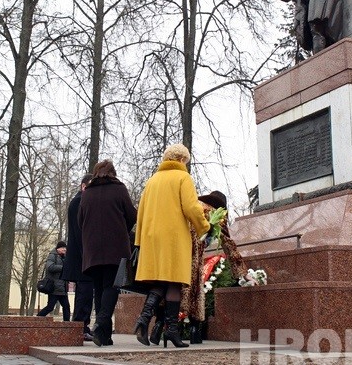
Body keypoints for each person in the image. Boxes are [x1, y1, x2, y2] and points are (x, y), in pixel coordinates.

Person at [133, 144, 210, 348]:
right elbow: (191, 207)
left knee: (161, 280)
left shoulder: (152, 181)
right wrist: (205, 227)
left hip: (151, 237)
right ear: (182, 159)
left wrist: (139, 240)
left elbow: (141, 212)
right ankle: (172, 331)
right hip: (173, 236)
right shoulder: (183, 178)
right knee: (174, 282)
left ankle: (143, 319)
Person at [179, 190, 250, 344]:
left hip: (177, 252)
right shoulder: (216, 213)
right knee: (194, 292)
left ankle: (160, 326)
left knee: (173, 289)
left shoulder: (194, 206)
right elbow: (229, 245)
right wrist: (243, 272)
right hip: (194, 256)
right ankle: (194, 330)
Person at [79, 160, 137, 347]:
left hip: (92, 249)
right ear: (113, 173)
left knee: (99, 288)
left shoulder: (87, 193)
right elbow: (132, 215)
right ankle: (101, 323)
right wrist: (122, 229)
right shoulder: (119, 189)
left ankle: (104, 336)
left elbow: (81, 220)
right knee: (112, 286)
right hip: (116, 247)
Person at [61, 173, 97, 341]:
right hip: (81, 257)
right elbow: (80, 231)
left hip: (82, 256)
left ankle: (83, 326)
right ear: (84, 186)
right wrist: (87, 254)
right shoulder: (78, 202)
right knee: (84, 293)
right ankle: (80, 327)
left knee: (86, 293)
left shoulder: (80, 201)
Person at [36, 241, 70, 321]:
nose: (64, 249)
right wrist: (63, 268)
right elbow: (50, 267)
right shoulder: (52, 256)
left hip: (62, 287)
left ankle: (67, 324)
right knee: (50, 307)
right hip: (54, 287)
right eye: (63, 248)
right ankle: (37, 319)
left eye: (65, 248)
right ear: (58, 248)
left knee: (66, 307)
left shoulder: (64, 257)